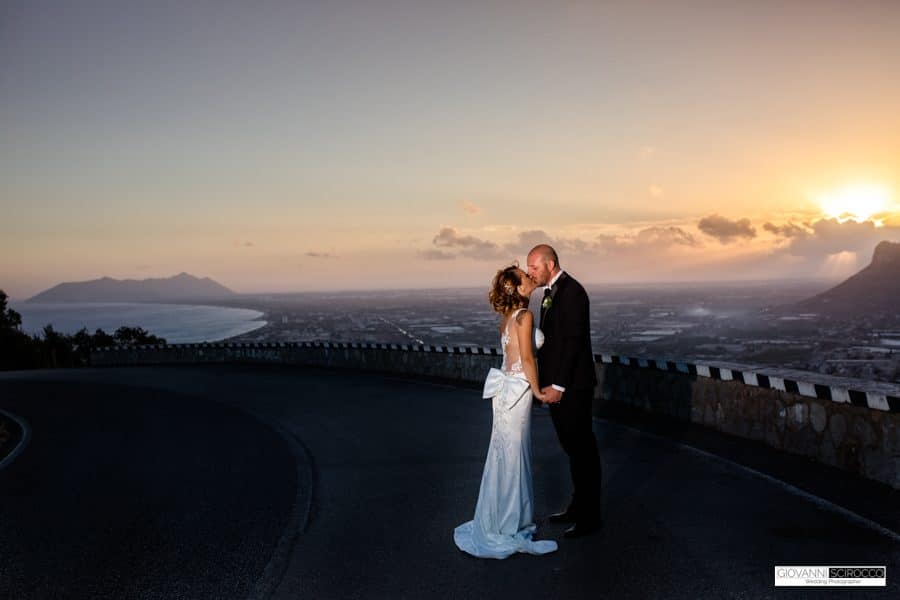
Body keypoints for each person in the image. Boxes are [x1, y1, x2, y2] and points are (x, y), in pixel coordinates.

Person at [454, 265, 558, 559]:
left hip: (504, 393)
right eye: (525, 276)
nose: (530, 275)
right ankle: (511, 524)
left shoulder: (506, 319)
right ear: (516, 287)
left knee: (503, 455)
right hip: (518, 391)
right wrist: (538, 391)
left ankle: (502, 519)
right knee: (514, 456)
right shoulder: (524, 316)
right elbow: (526, 358)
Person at [527, 244, 603, 538]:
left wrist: (558, 385)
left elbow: (573, 343)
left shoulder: (573, 292)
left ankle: (590, 517)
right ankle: (577, 506)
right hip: (560, 386)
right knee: (573, 450)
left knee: (583, 451)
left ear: (551, 263)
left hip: (573, 388)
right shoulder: (550, 294)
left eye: (534, 266)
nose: (530, 272)